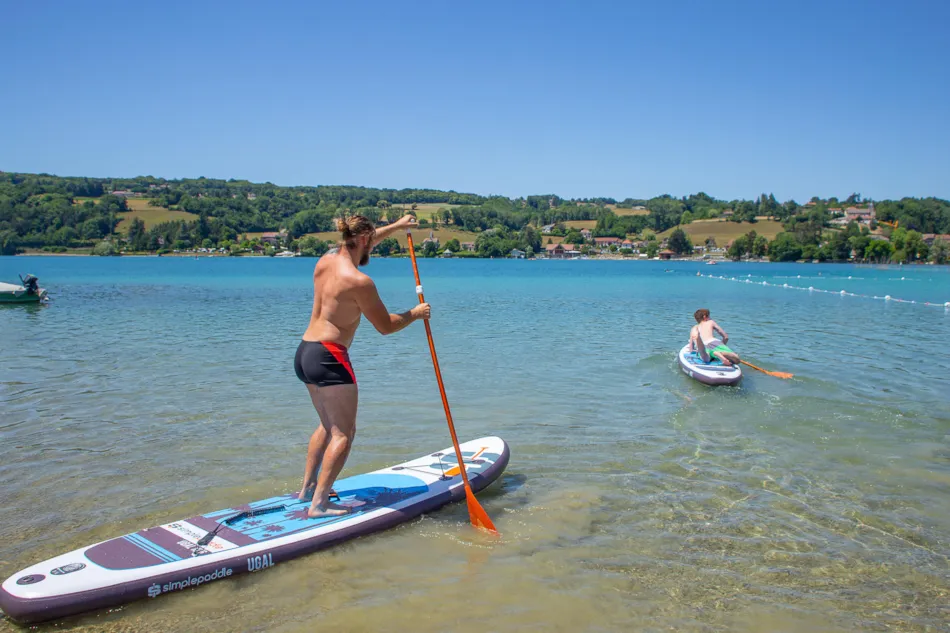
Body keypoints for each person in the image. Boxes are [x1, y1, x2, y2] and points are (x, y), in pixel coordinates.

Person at [294, 213, 430, 518]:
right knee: (344, 433)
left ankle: (306, 489)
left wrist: (396, 227)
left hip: (305, 352)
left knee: (327, 427)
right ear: (364, 240)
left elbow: (364, 241)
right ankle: (319, 504)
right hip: (330, 356)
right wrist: (415, 313)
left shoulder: (326, 260)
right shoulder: (359, 282)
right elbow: (385, 326)